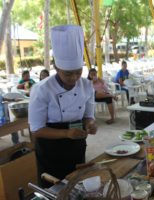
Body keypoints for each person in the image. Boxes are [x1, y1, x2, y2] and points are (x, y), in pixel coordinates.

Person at [29, 25, 97, 187]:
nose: (74, 78)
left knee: (77, 184)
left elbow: (88, 116)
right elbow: (37, 129)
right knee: (54, 189)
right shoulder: (42, 89)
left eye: (78, 72)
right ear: (56, 67)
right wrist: (67, 133)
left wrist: (90, 124)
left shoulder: (87, 86)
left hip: (76, 144)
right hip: (50, 148)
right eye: (68, 73)